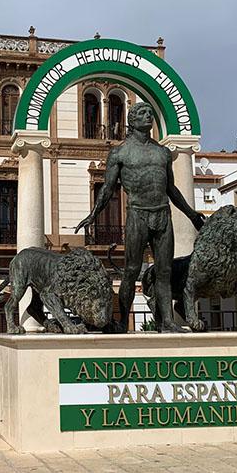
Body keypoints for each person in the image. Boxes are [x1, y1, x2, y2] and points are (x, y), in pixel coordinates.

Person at [75, 102, 205, 333]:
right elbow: (107, 188)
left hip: (163, 214)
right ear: (132, 120)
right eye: (143, 113)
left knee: (164, 271)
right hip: (137, 214)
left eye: (150, 114)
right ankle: (123, 321)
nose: (149, 117)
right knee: (132, 270)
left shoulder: (163, 152)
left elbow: (171, 189)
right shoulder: (120, 152)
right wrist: (93, 215)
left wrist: (191, 214)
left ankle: (166, 321)